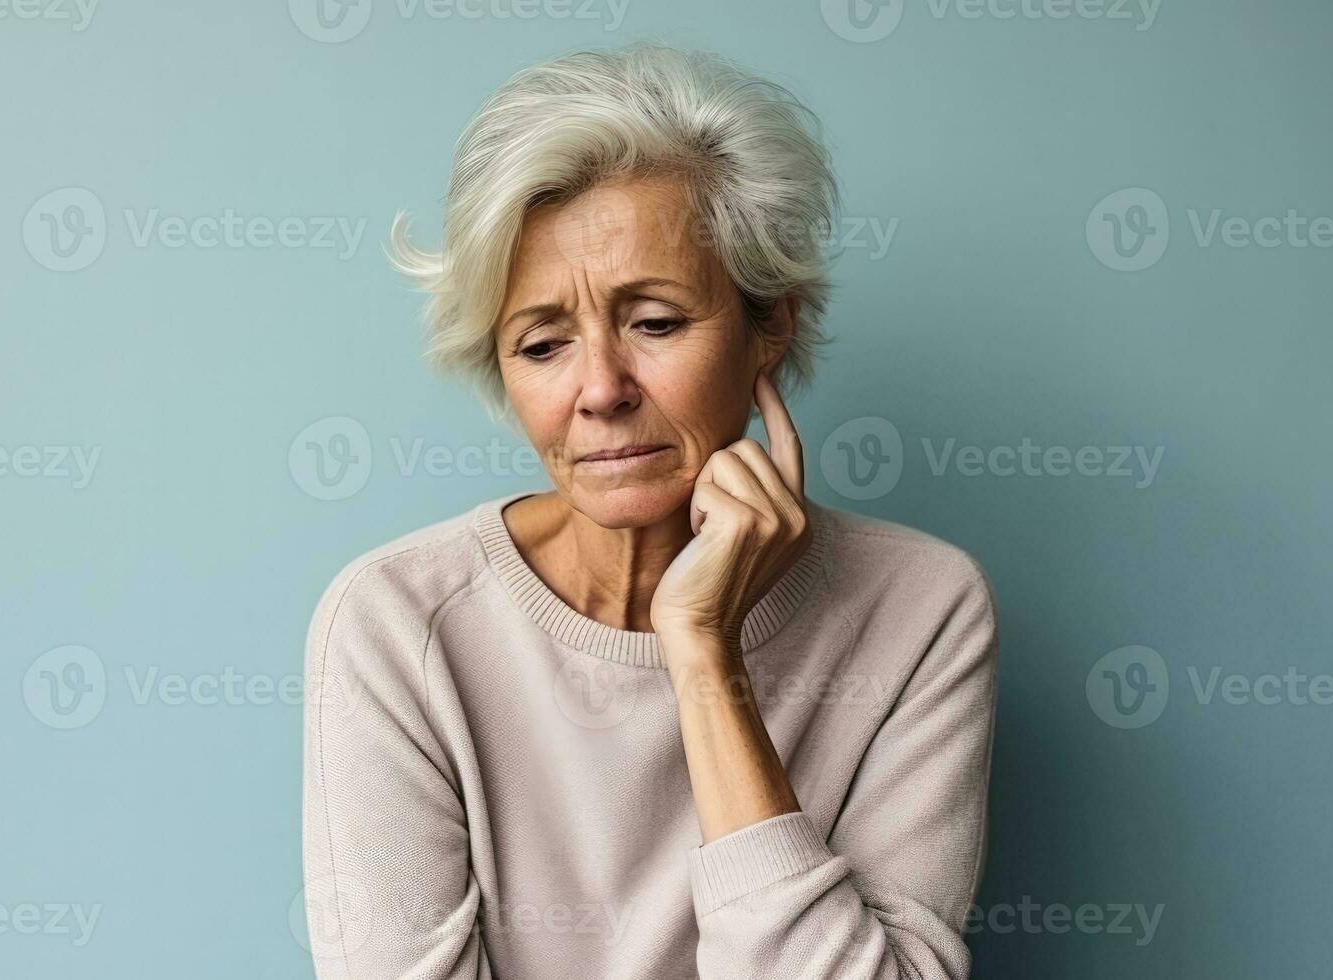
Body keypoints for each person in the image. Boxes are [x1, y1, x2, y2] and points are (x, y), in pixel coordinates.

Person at [302, 41, 999, 980]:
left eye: (656, 322)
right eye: (543, 343)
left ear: (771, 324)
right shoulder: (396, 626)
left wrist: (703, 647)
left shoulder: (922, 609)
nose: (599, 389)